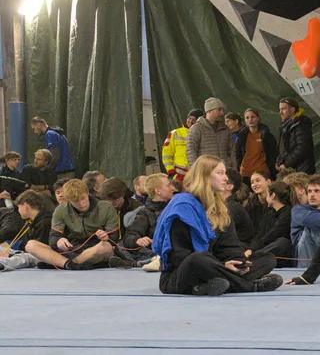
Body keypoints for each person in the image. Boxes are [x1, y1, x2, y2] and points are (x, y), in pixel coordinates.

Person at [153, 155, 282, 295]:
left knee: (267, 259)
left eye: (224, 173)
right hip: (182, 273)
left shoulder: (220, 209)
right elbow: (179, 256)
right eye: (220, 173)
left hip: (215, 266)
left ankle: (205, 287)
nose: (225, 178)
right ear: (205, 176)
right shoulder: (183, 207)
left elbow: (229, 247)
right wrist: (222, 266)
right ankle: (250, 286)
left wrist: (239, 263)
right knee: (197, 259)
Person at [24, 178, 118, 270]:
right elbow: (53, 237)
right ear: (68, 199)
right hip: (72, 248)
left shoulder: (106, 207)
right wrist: (59, 240)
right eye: (76, 201)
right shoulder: (61, 210)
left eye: (83, 198)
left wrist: (105, 236)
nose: (81, 203)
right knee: (30, 245)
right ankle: (72, 264)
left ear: (87, 192)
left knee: (105, 247)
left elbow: (114, 238)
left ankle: (64, 264)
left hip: (95, 248)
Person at [113, 173, 174, 268]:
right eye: (168, 185)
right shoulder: (145, 213)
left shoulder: (175, 209)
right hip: (155, 250)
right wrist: (138, 240)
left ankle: (140, 263)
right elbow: (129, 237)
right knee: (120, 246)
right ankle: (154, 260)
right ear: (158, 191)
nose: (172, 188)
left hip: (173, 248)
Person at [0, 190, 54, 270]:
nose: (18, 211)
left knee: (23, 259)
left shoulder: (45, 222)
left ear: (25, 206)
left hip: (40, 256)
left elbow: (40, 252)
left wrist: (10, 255)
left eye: (19, 207)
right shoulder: (31, 222)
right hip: (27, 253)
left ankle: (3, 262)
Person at [292, 175, 320, 261]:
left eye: (316, 191)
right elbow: (313, 221)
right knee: (313, 228)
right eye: (309, 191)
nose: (312, 195)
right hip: (305, 256)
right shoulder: (298, 210)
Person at [187, 98, 236, 172]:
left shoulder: (225, 129)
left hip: (225, 171)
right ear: (209, 111)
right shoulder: (196, 129)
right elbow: (191, 151)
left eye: (222, 110)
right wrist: (197, 171)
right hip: (206, 172)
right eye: (219, 110)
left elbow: (232, 151)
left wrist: (234, 170)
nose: (222, 113)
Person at [234, 108, 279, 180]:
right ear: (244, 120)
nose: (250, 120)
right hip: (245, 173)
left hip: (262, 172)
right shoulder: (241, 136)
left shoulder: (266, 135)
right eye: (247, 118)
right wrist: (239, 167)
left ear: (258, 118)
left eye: (253, 117)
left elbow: (273, 153)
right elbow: (237, 154)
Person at [276, 98, 316, 174]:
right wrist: (279, 162)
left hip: (301, 172)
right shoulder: (285, 126)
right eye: (280, 109)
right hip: (290, 171)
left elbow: (301, 149)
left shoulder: (301, 125)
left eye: (283, 109)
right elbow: (283, 148)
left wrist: (286, 164)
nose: (280, 112)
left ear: (292, 109)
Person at [162, 109, 200, 182]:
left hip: (194, 176)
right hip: (178, 175)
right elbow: (166, 154)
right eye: (189, 118)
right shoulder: (175, 133)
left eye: (194, 119)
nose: (190, 121)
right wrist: (171, 172)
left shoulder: (201, 135)